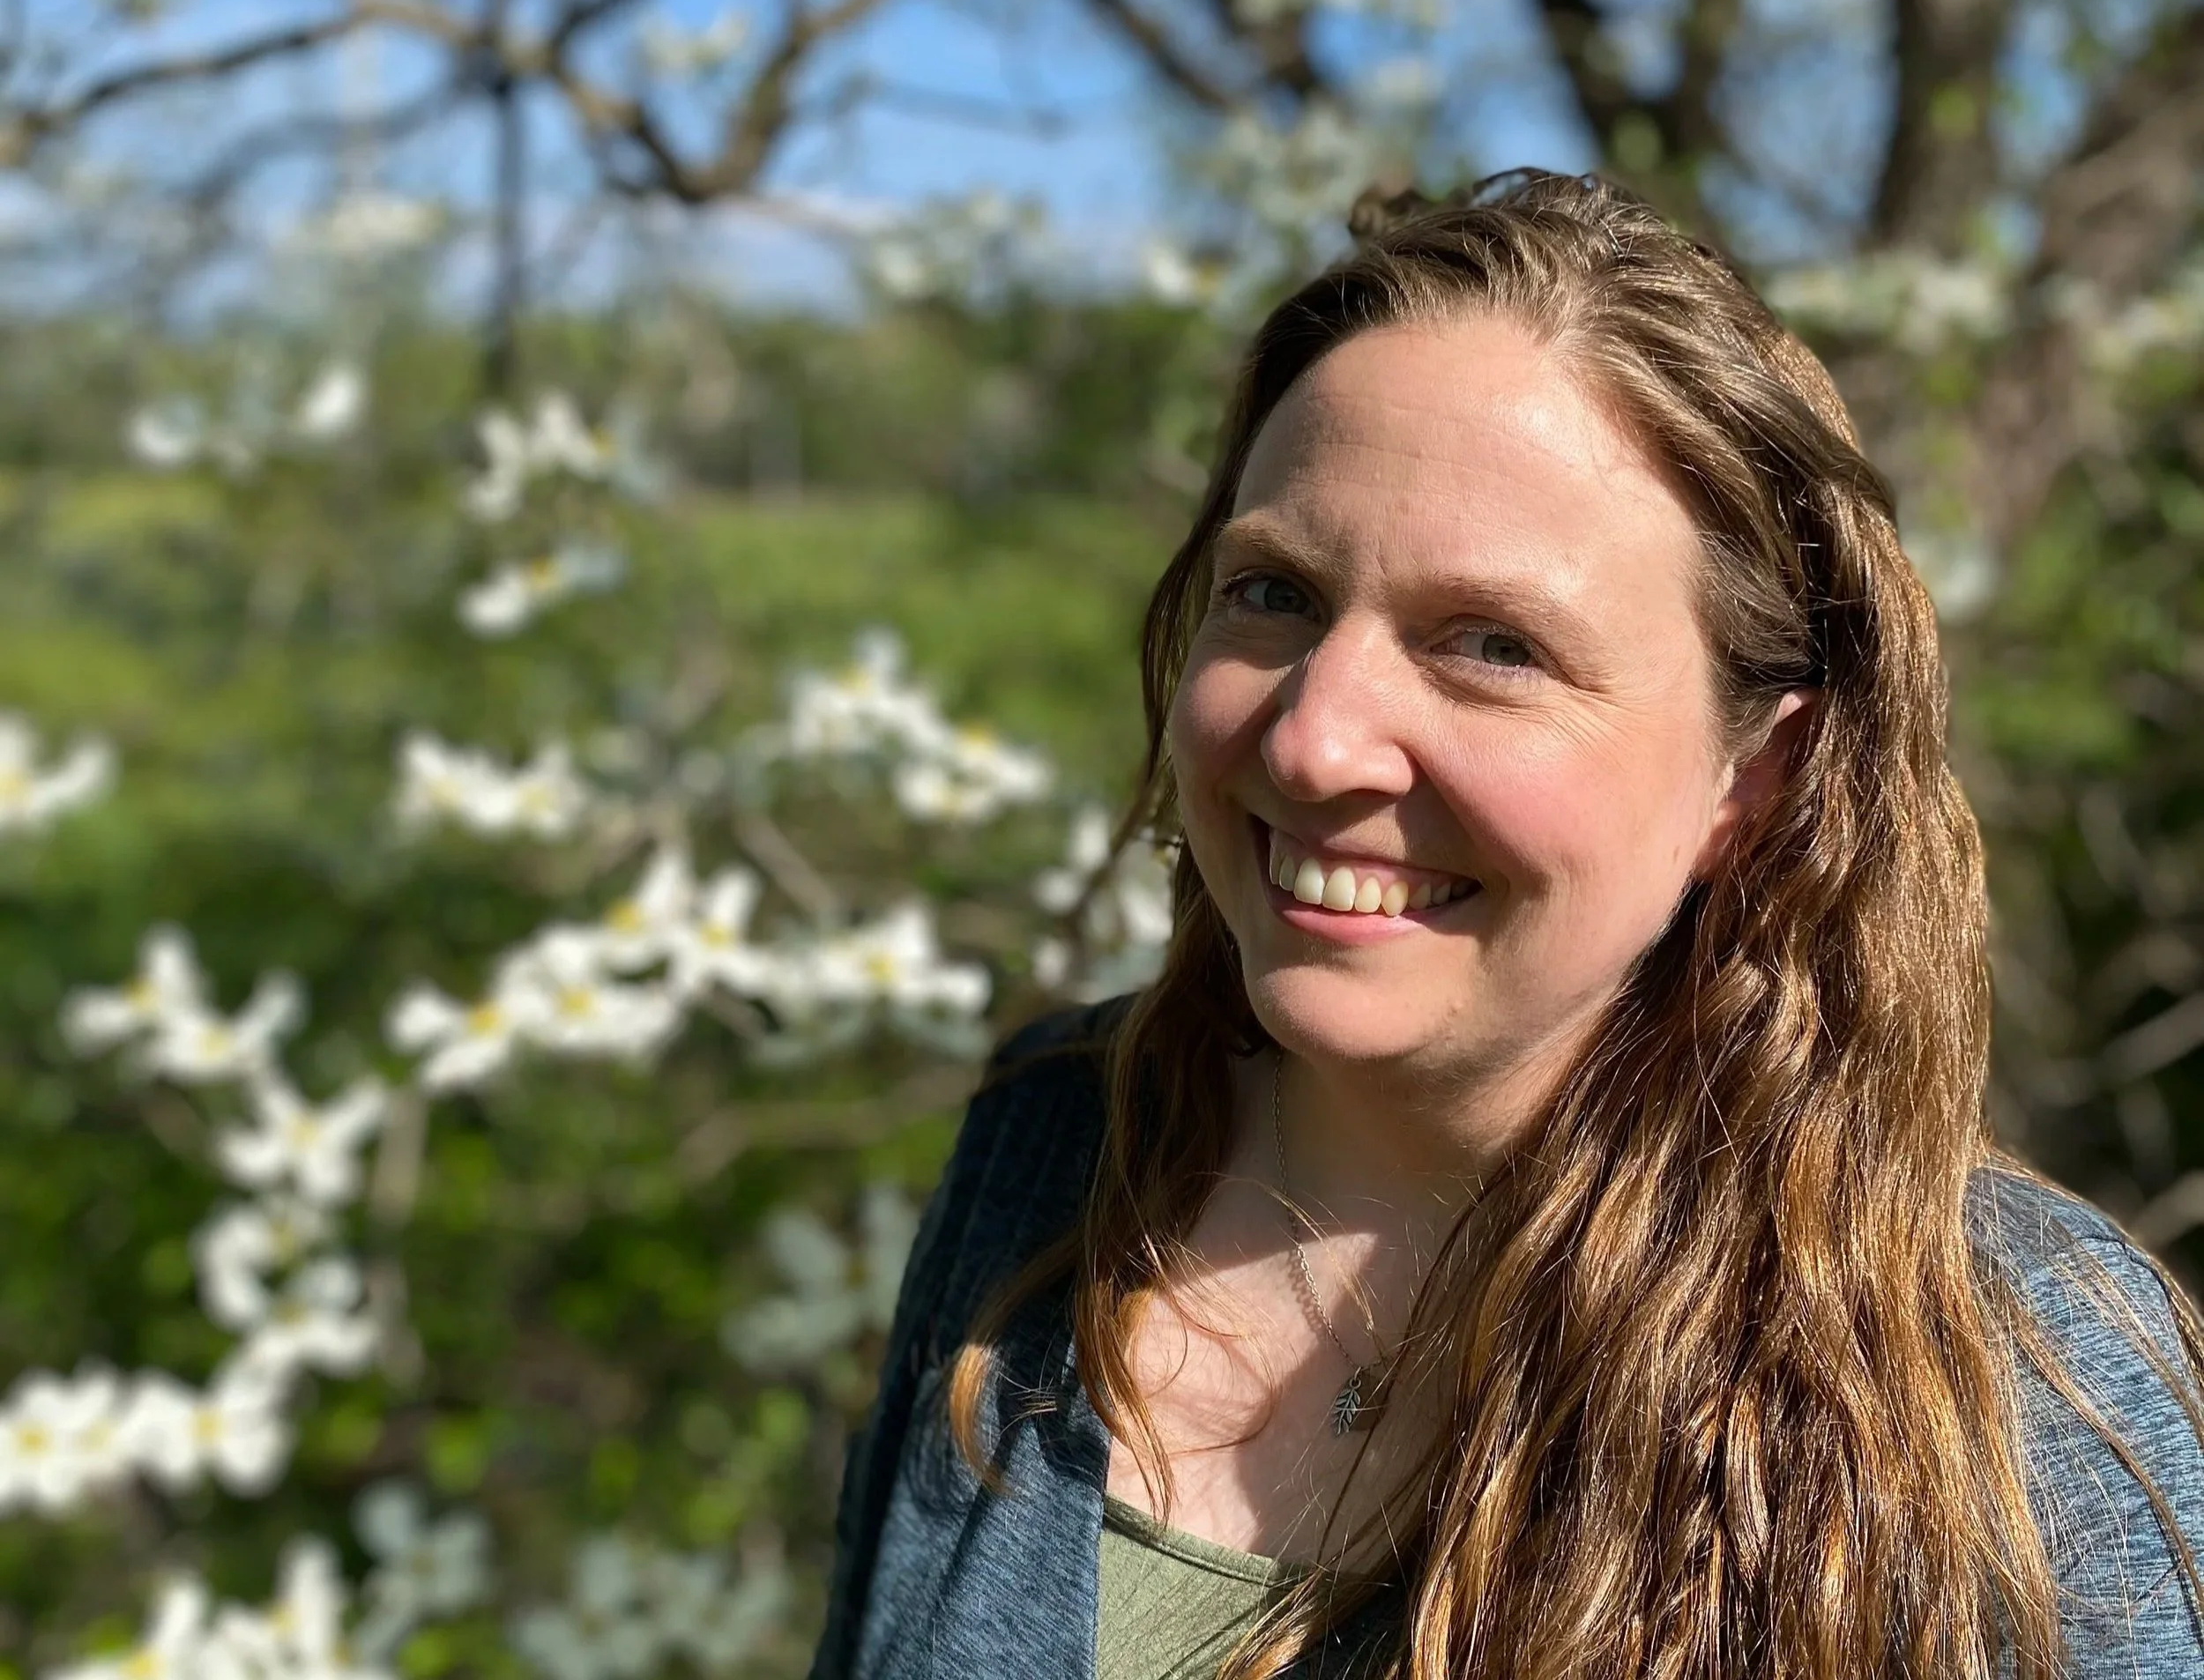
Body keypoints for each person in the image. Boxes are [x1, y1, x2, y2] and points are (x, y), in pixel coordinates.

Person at [808, 170, 2204, 1680]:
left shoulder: (2023, 1391)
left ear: (1760, 774)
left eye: (1494, 646)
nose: (1314, 741)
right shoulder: (1050, 1157)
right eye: (1273, 592)